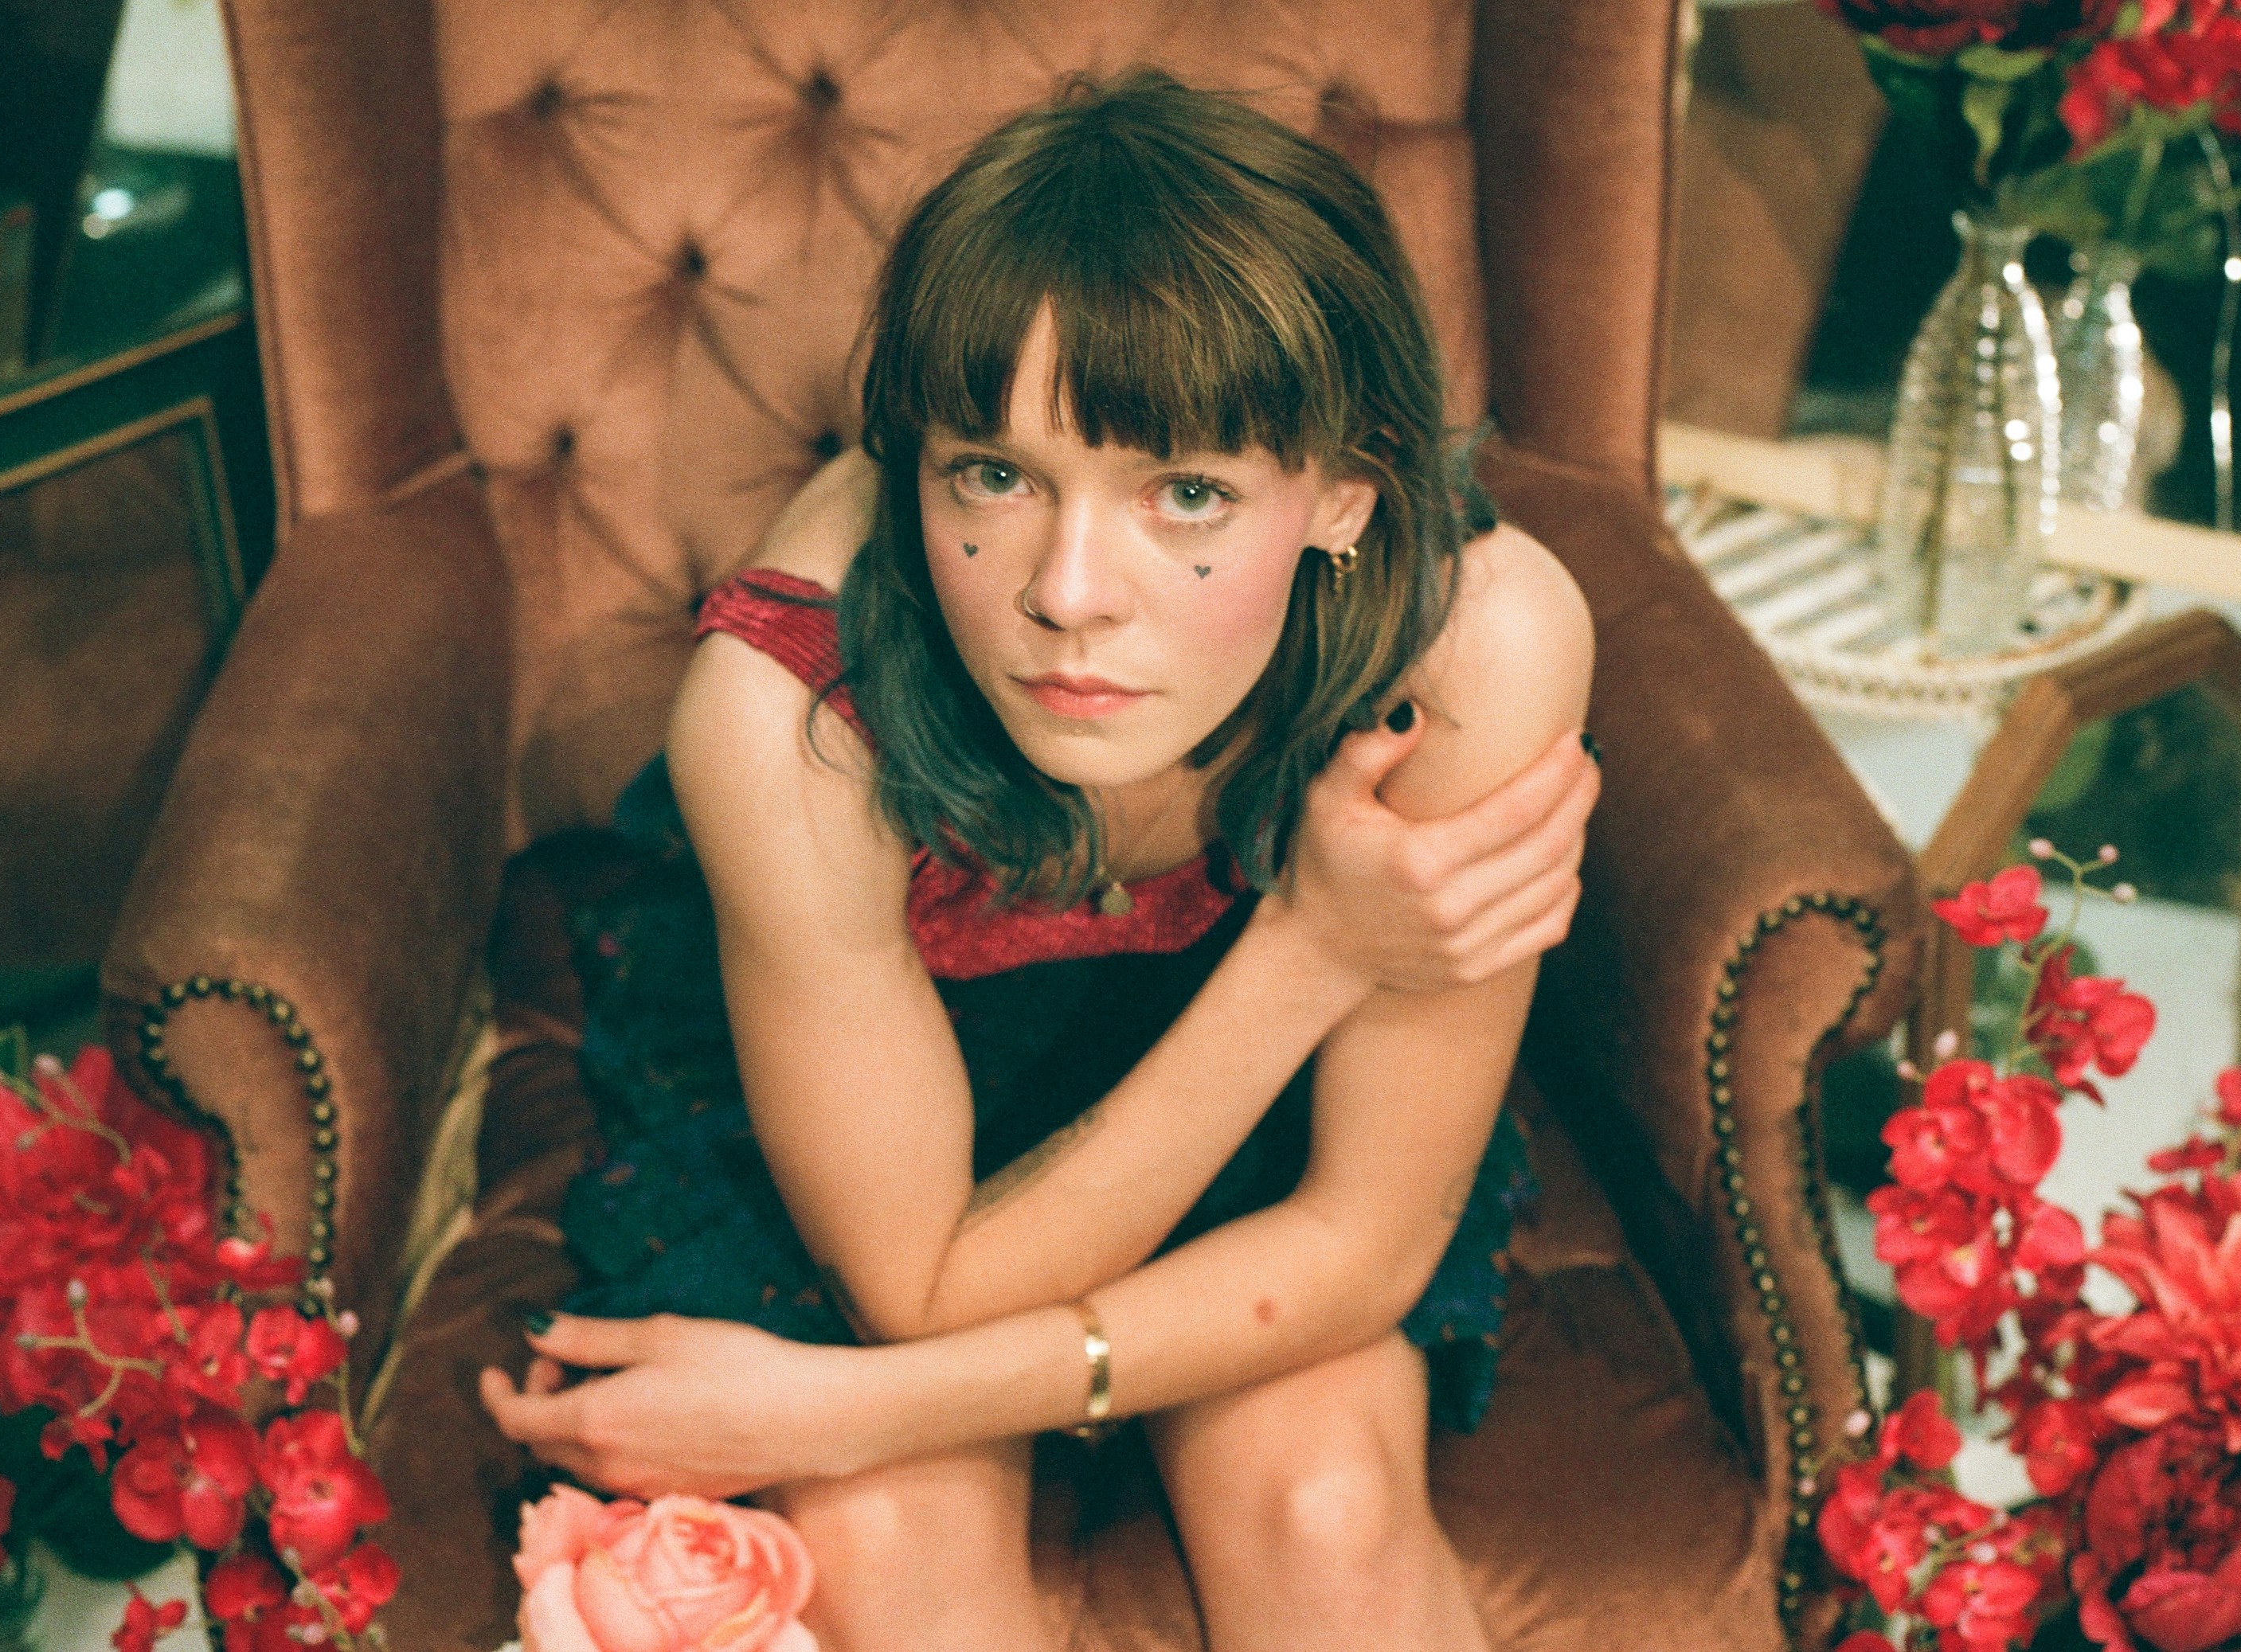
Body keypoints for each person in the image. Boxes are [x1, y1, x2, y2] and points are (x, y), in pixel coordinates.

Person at [481, 69, 1598, 1652]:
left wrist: (822, 1414)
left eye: (1187, 494)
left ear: (1344, 494)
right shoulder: (788, 719)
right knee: (891, 1550)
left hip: (1262, 1080)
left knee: (1327, 1512)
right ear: (911, 458)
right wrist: (1312, 951)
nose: (1068, 594)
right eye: (992, 477)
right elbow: (914, 1289)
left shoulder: (1477, 644)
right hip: (900, 1121)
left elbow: (1360, 1240)